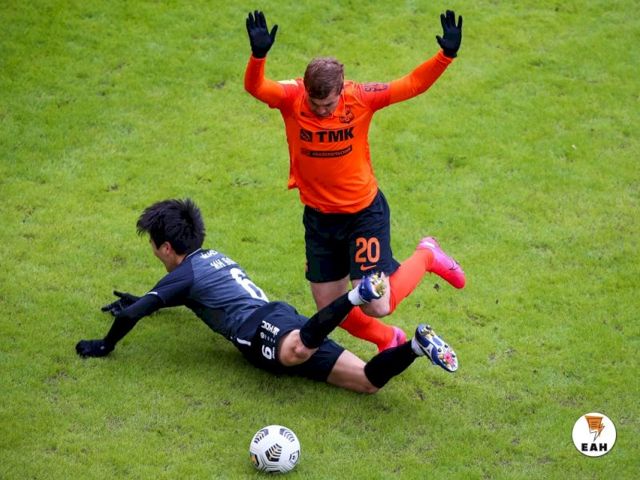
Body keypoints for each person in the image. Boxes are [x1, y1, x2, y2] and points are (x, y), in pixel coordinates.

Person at [243, 10, 465, 353]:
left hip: (363, 213)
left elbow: (411, 84)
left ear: (341, 88)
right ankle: (388, 339)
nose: (321, 110)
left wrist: (445, 55)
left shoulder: (360, 97)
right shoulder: (291, 98)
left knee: (377, 303)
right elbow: (255, 87)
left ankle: (427, 255)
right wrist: (258, 56)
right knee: (331, 310)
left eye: (328, 104)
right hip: (319, 219)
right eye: (315, 104)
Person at [75, 199, 458, 393]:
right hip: (280, 316)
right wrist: (141, 301)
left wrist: (104, 345)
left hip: (260, 328)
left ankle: (357, 297)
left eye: (153, 246)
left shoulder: (184, 274)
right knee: (367, 382)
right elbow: (174, 298)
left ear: (166, 247)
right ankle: (415, 347)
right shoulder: (210, 258)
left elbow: (135, 314)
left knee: (296, 351)